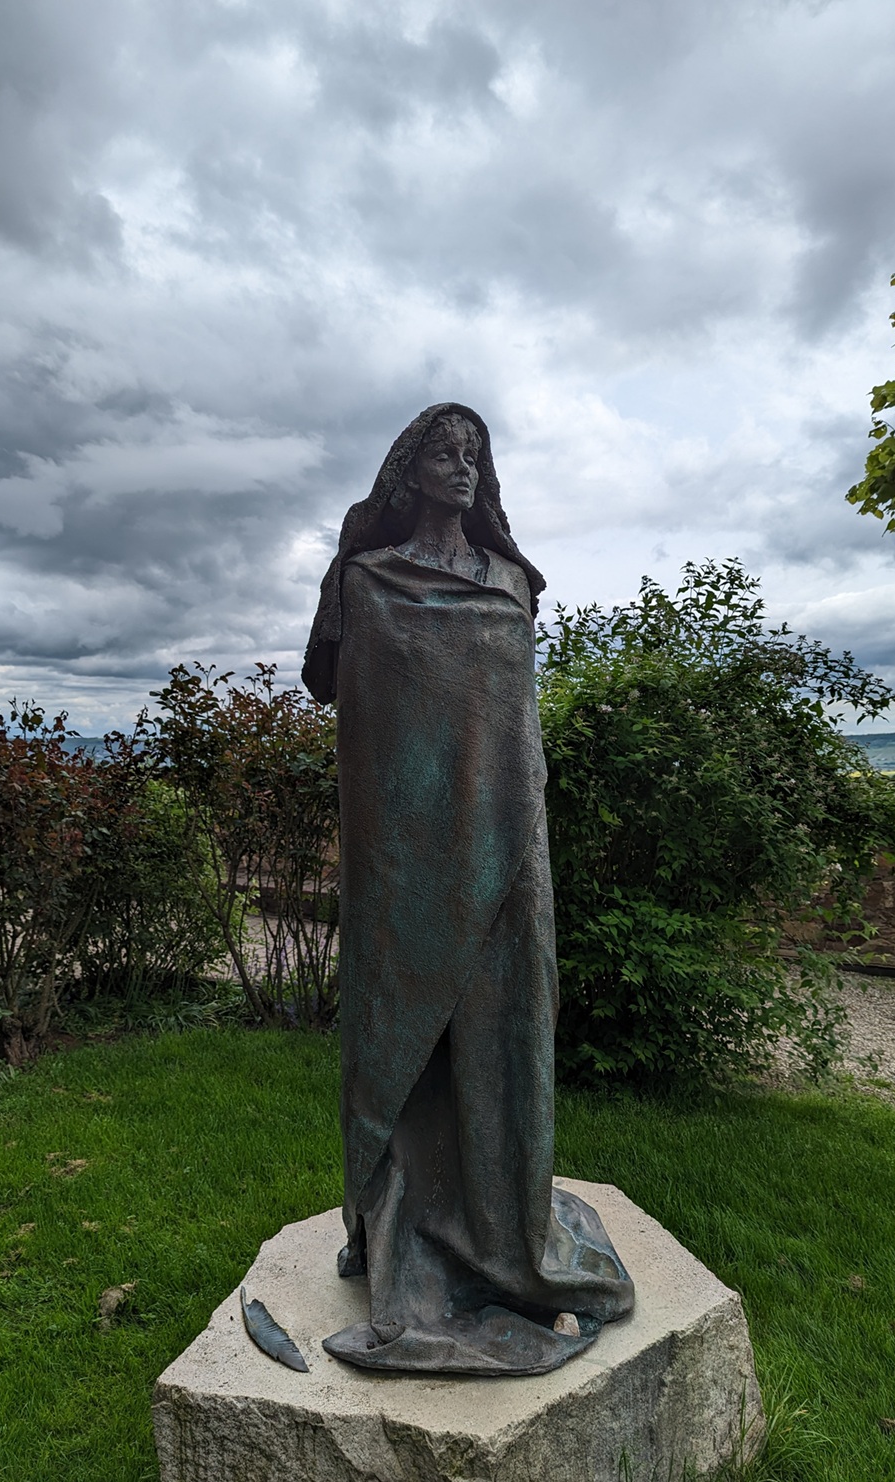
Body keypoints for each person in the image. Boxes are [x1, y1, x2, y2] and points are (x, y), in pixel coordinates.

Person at [302, 403, 633, 1375]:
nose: (463, 465)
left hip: (510, 848)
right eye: (445, 452)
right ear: (408, 471)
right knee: (408, 1036)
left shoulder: (513, 585)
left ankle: (503, 1226)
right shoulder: (365, 581)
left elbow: (512, 725)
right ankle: (412, 1228)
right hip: (403, 858)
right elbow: (334, 692)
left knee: (510, 1022)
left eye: (475, 454)